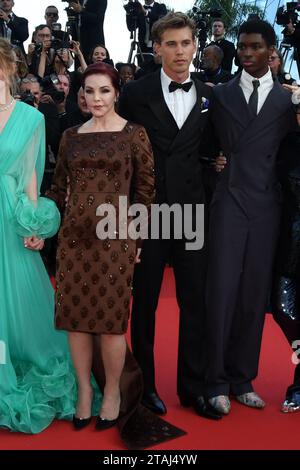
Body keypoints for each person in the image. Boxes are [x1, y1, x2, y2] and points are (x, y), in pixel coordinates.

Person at [46, 62, 184, 447]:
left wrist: (137, 240)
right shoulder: (71, 136)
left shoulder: (133, 134)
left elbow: (145, 191)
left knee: (109, 322)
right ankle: (84, 393)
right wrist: (41, 227)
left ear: (116, 93)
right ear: (81, 96)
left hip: (115, 240)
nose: (96, 99)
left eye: (103, 91)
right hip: (73, 240)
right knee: (75, 320)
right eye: (89, 92)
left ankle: (111, 394)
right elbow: (58, 189)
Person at [119, 12, 221, 420]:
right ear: (157, 47)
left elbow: (212, 148)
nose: (181, 52)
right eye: (172, 44)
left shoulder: (212, 95)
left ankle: (193, 388)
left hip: (192, 214)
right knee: (144, 305)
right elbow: (122, 153)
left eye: (187, 43)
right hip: (150, 214)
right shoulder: (136, 94)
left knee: (195, 303)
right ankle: (145, 389)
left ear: (196, 46)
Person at [0, 38, 95, 433]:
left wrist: (36, 225)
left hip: (10, 218)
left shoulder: (31, 119)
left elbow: (33, 178)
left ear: (8, 69)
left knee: (18, 299)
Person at [205, 19, 298, 416]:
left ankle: (242, 378)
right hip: (228, 203)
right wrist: (215, 162)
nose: (246, 53)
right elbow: (204, 147)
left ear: (271, 50)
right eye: (242, 47)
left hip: (266, 209)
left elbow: (289, 159)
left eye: (255, 47)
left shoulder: (284, 102)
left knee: (252, 296)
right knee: (221, 293)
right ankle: (214, 381)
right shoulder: (221, 95)